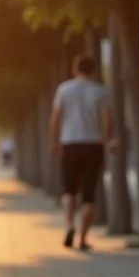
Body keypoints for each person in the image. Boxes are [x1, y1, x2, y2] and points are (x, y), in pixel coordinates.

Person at [50, 54, 116, 252]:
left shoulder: (64, 89)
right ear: (94, 70)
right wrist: (109, 139)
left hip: (69, 143)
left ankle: (69, 225)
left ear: (74, 69)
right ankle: (83, 239)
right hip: (92, 145)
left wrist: (53, 143)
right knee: (89, 194)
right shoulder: (100, 91)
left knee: (69, 190)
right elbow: (106, 119)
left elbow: (55, 118)